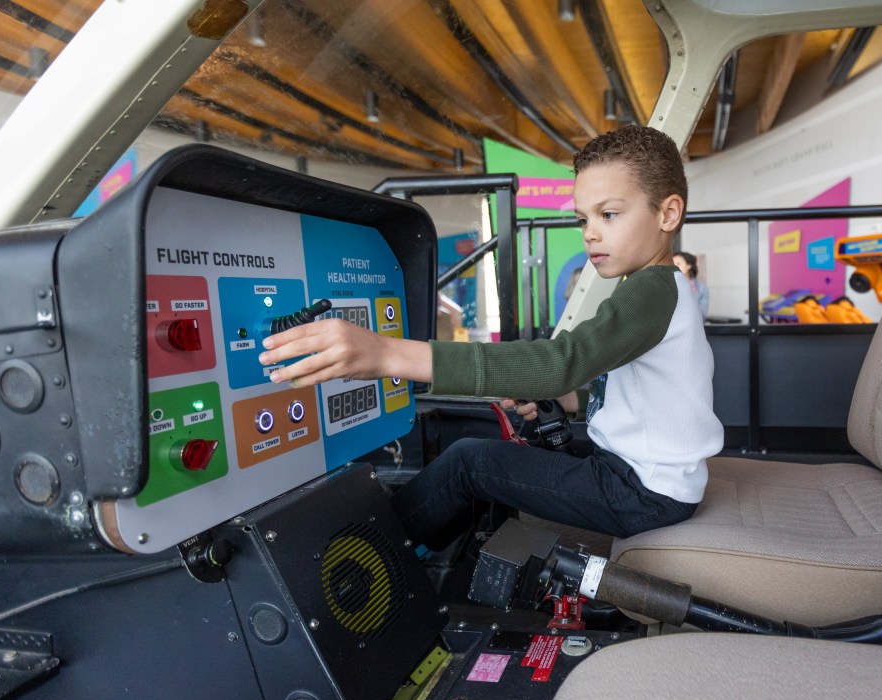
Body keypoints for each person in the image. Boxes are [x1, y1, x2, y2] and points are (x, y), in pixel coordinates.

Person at [258, 125, 724, 551]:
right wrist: (568, 400)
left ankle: (368, 561)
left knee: (471, 462)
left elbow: (561, 360)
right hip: (651, 481)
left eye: (609, 214)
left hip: (643, 492)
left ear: (668, 214)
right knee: (511, 451)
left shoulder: (652, 288)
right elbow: (638, 391)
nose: (591, 234)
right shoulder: (662, 287)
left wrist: (385, 353)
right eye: (584, 219)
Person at [672, 251, 710, 318]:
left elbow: (702, 315)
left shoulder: (701, 289)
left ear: (689, 265)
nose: (675, 267)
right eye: (673, 264)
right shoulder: (667, 285)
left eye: (678, 264)